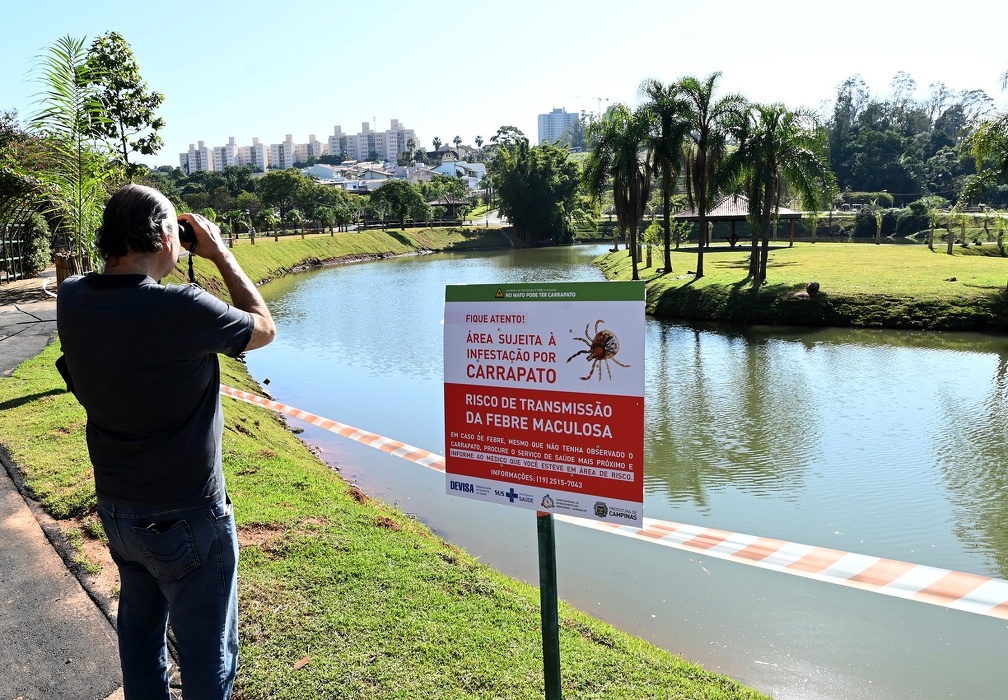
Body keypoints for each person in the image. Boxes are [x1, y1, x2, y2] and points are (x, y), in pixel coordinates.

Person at [56, 183, 276, 700]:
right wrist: (219, 251)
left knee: (139, 640)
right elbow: (263, 328)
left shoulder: (72, 299)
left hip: (117, 508)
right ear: (162, 236)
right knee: (206, 659)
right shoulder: (182, 308)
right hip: (189, 515)